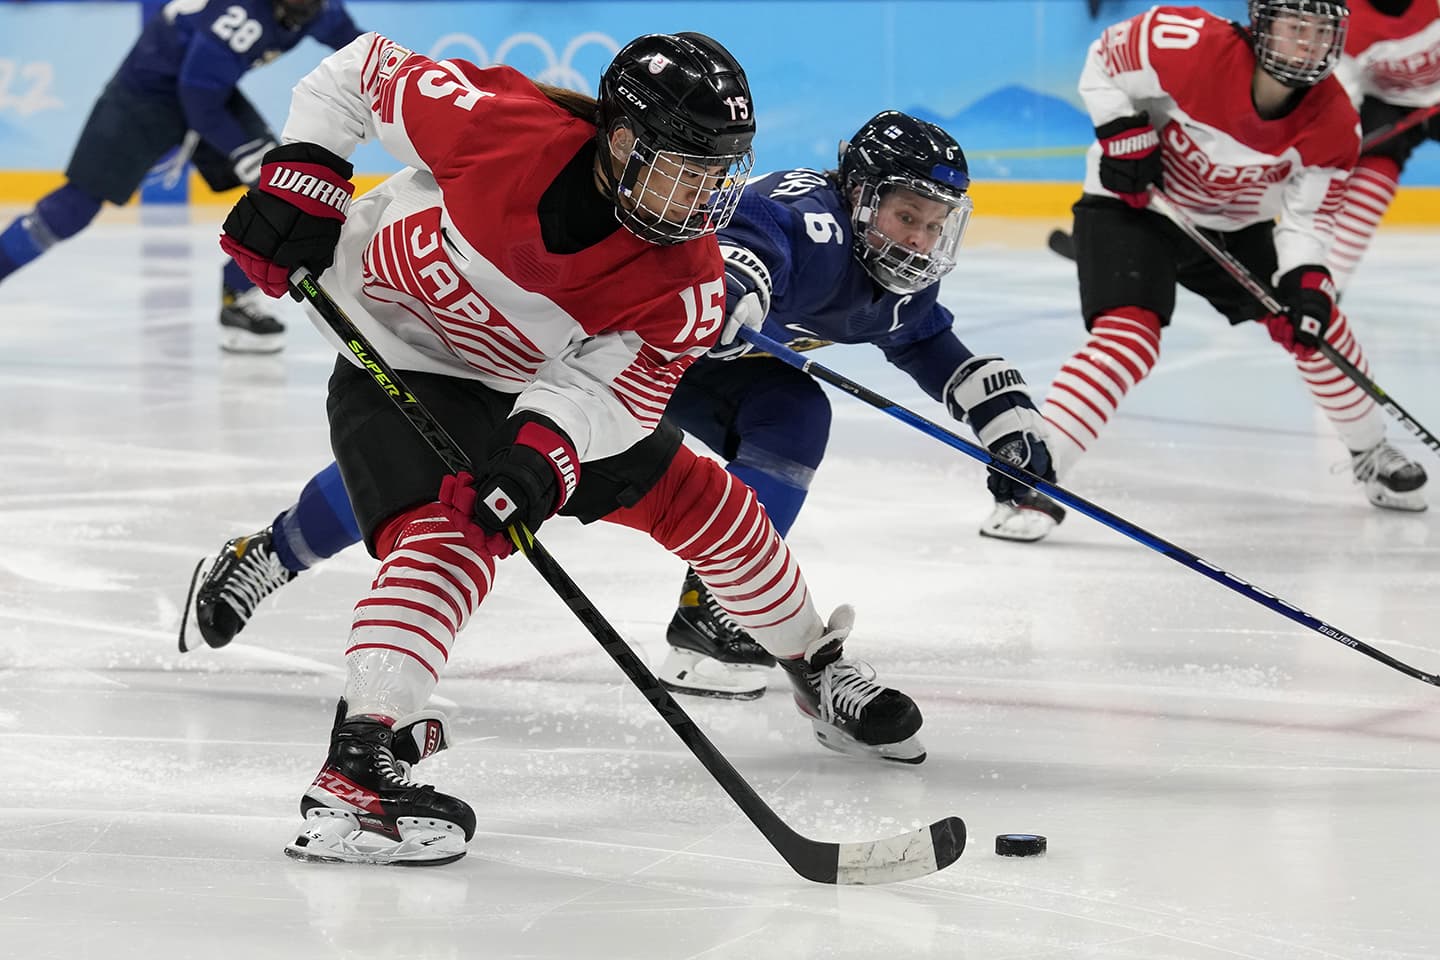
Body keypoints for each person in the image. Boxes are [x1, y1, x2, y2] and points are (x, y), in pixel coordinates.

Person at [216, 29, 927, 866]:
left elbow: (609, 393)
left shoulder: (688, 276)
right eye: (683, 171)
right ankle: (361, 766)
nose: (701, 200)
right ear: (621, 144)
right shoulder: (499, 127)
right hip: (398, 345)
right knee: (450, 537)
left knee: (709, 505)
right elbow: (357, 70)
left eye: (715, 177)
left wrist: (543, 450)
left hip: (538, 379)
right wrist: (306, 175)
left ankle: (814, 665)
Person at [179, 109, 1058, 700]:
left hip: (701, 369)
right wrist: (741, 287)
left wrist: (1008, 431)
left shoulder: (886, 281)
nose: (922, 238)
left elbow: (937, 350)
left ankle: (717, 613)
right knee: (449, 466)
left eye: (937, 224)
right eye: (908, 215)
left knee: (797, 416)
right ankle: (271, 552)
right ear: (861, 197)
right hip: (620, 344)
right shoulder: (815, 222)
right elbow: (756, 238)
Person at [985, 0, 1427, 548]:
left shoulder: (1337, 120)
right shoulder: (1187, 42)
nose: (1308, 46)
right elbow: (1104, 59)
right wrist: (1123, 132)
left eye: (1321, 33)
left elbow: (1306, 221)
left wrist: (1306, 283)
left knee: (1320, 328)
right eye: (1295, 28)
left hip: (1234, 226)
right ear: (1261, 24)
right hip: (1133, 207)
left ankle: (1370, 450)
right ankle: (1032, 479)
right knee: (1129, 338)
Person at [0, 0, 361, 353]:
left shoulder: (322, 8)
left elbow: (363, 53)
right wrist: (240, 151)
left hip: (207, 89)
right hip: (147, 95)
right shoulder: (239, 11)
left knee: (284, 185)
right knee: (73, 209)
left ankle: (236, 296)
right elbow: (196, 94)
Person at [1327, 0, 1440, 290]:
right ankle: (1331, 280)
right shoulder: (1347, 22)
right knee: (1375, 168)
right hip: (1387, 104)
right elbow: (1344, 97)